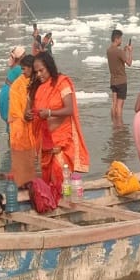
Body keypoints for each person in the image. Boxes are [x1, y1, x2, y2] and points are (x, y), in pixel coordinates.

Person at [26, 51, 89, 193]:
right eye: (36, 72)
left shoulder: (61, 82)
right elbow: (29, 111)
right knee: (47, 178)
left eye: (41, 70)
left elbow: (69, 109)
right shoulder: (36, 87)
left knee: (61, 176)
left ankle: (65, 204)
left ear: (49, 67)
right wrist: (28, 115)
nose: (39, 75)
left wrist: (49, 113)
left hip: (61, 139)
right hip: (43, 141)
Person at [8, 54, 39, 187]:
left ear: (32, 69)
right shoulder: (17, 85)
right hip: (20, 129)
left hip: (35, 127)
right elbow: (16, 111)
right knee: (22, 163)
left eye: (25, 69)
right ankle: (22, 187)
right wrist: (26, 116)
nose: (23, 72)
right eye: (22, 69)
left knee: (35, 163)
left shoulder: (38, 81)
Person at [106, 29, 134, 125]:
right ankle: (119, 127)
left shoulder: (109, 50)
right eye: (121, 39)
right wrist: (130, 51)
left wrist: (124, 50)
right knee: (119, 106)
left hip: (113, 81)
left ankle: (113, 124)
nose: (121, 41)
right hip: (121, 82)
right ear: (117, 39)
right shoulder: (119, 52)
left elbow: (118, 57)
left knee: (114, 105)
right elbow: (129, 63)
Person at [0, 46, 26, 134]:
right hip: (9, 96)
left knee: (10, 123)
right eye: (24, 54)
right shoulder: (19, 69)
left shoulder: (14, 66)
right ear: (21, 57)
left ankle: (10, 142)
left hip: (5, 93)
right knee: (14, 123)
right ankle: (13, 143)